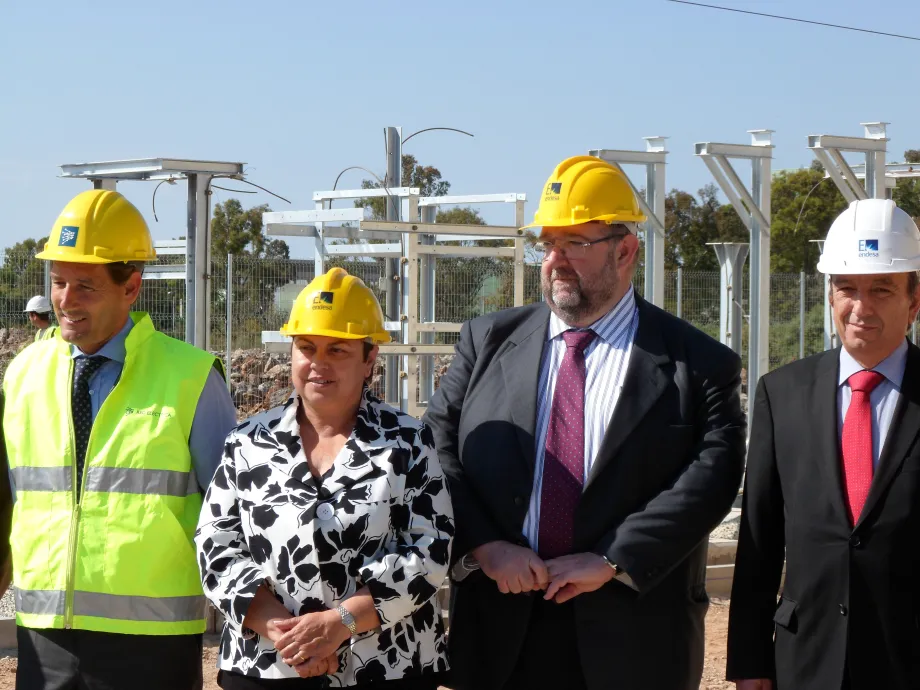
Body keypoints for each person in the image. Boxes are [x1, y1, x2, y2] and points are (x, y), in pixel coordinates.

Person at [424, 155, 747, 690]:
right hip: (499, 630)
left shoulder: (698, 362)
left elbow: (711, 476)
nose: (555, 260)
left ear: (625, 250)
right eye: (548, 244)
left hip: (633, 636)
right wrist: (486, 545)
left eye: (576, 243)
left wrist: (612, 557)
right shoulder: (486, 342)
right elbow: (437, 449)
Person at [0, 189, 238, 690]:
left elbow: (233, 512)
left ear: (131, 287)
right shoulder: (21, 375)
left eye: (84, 286)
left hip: (151, 640)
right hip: (44, 636)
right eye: (59, 282)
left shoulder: (191, 377)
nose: (65, 300)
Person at [196, 267, 454, 689]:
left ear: (370, 358)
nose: (319, 364)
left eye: (338, 350)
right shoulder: (247, 443)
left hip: (387, 665)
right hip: (269, 665)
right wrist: (285, 632)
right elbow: (215, 545)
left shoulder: (408, 441)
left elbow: (430, 549)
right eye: (307, 347)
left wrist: (340, 624)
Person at [727, 198, 920, 690]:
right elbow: (759, 539)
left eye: (881, 289)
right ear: (829, 295)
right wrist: (750, 664)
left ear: (914, 300)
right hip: (805, 659)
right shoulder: (781, 393)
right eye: (847, 288)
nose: (862, 307)